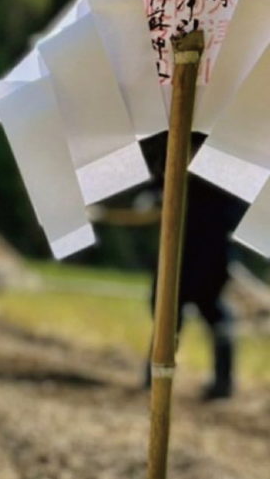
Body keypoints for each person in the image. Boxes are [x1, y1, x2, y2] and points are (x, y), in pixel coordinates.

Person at [96, 131, 247, 400]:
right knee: (168, 312)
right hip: (178, 252)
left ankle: (221, 383)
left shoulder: (225, 171)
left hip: (211, 253)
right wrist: (153, 195)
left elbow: (233, 209)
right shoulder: (177, 154)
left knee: (211, 312)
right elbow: (161, 183)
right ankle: (155, 377)